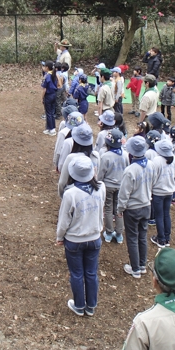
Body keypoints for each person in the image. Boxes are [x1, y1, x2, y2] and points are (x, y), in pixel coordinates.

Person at [56, 155, 105, 317]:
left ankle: (79, 305)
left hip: (75, 240)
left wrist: (60, 236)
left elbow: (64, 220)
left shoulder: (71, 194)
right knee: (91, 272)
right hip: (94, 237)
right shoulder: (101, 188)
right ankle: (91, 306)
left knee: (77, 273)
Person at [118, 136, 155, 279]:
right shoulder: (151, 165)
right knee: (142, 236)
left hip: (133, 209)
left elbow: (124, 193)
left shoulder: (130, 170)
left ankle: (135, 269)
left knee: (132, 237)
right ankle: (142, 265)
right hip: (146, 205)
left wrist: (120, 209)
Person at [98, 129, 129, 245]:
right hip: (120, 185)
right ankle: (119, 234)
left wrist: (98, 183)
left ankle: (109, 232)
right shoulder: (125, 155)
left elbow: (101, 173)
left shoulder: (106, 156)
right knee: (119, 209)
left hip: (108, 186)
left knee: (108, 209)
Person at [150, 140, 175, 248]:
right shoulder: (174, 159)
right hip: (170, 191)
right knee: (166, 214)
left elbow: (153, 176)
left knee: (159, 215)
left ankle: (161, 239)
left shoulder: (156, 160)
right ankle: (167, 237)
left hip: (158, 192)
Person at [58, 124, 101, 197]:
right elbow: (97, 177)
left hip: (73, 195)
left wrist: (62, 195)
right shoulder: (96, 156)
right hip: (91, 195)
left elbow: (62, 182)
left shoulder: (71, 158)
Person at [41, 60, 58, 136]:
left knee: (48, 113)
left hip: (48, 96)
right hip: (54, 94)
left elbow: (44, 89)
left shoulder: (47, 76)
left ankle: (51, 129)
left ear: (47, 67)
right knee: (51, 112)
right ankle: (51, 128)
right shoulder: (54, 75)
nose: (43, 67)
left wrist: (42, 98)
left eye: (44, 66)